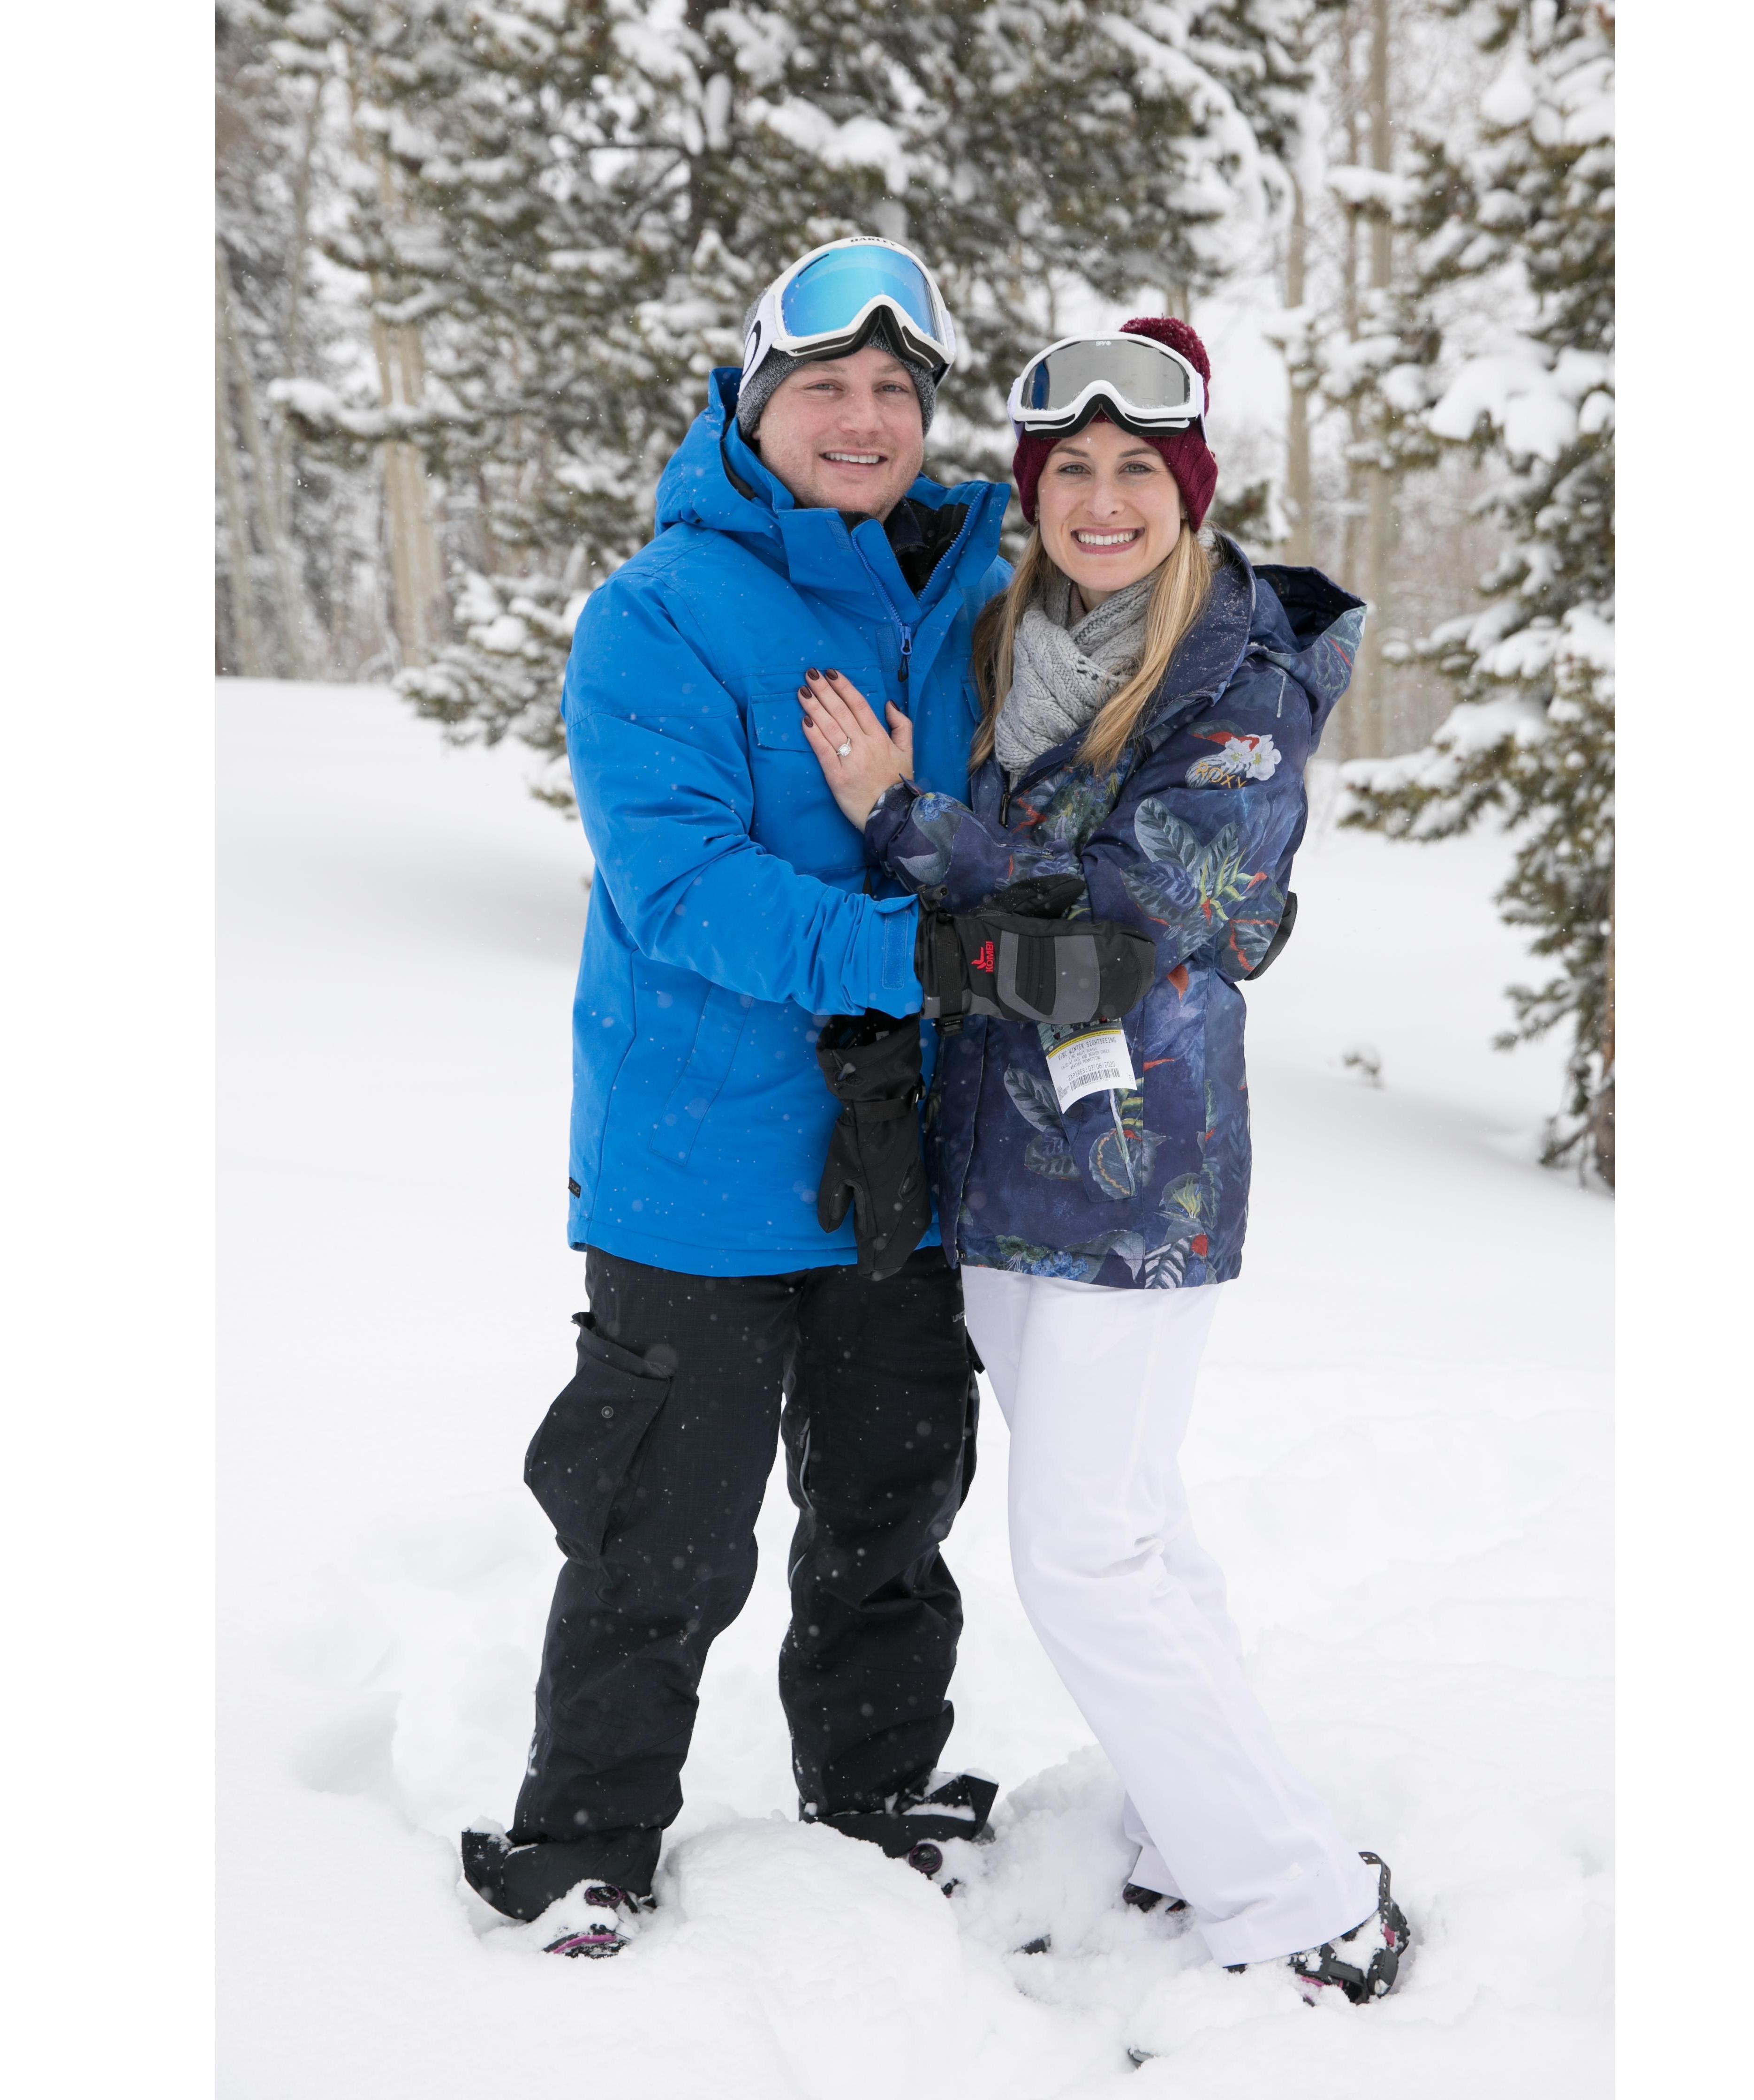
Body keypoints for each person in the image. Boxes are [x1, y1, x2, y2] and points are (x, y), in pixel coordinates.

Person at [461, 241, 1154, 1957]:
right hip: (698, 1158)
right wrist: (928, 955)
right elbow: (681, 887)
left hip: (898, 1153)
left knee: (890, 1507)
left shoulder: (962, 598)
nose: (862, 420)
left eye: (895, 393)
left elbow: (1136, 620)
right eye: (824, 389)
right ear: (752, 404)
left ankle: (878, 1797)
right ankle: (588, 1844)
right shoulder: (659, 613)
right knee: (664, 1531)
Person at [795, 318, 1414, 2003]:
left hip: (1138, 1184)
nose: (1103, 498)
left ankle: (1303, 1906)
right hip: (1003, 1164)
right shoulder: (1016, 644)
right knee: (1133, 1530)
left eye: (1140, 468)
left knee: (1082, 1559)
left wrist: (907, 819)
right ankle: (1184, 1830)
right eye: (1071, 469)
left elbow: (1127, 929)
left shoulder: (1236, 679)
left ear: (1191, 490)